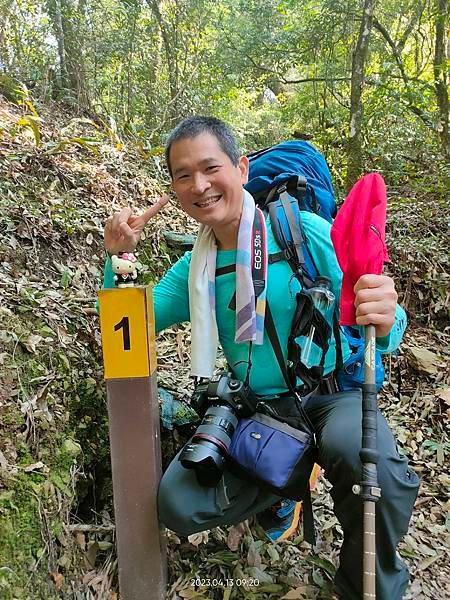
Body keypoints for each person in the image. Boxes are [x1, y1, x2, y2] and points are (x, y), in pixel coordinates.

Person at [102, 116, 419, 599]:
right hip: (260, 409)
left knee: (374, 472)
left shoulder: (301, 231)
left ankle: (367, 587)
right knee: (178, 504)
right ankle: (284, 485)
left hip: (333, 393)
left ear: (242, 168)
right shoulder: (195, 269)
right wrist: (119, 261)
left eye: (210, 168)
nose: (200, 185)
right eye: (183, 175)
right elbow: (124, 330)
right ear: (173, 187)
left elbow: (383, 322)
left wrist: (386, 312)